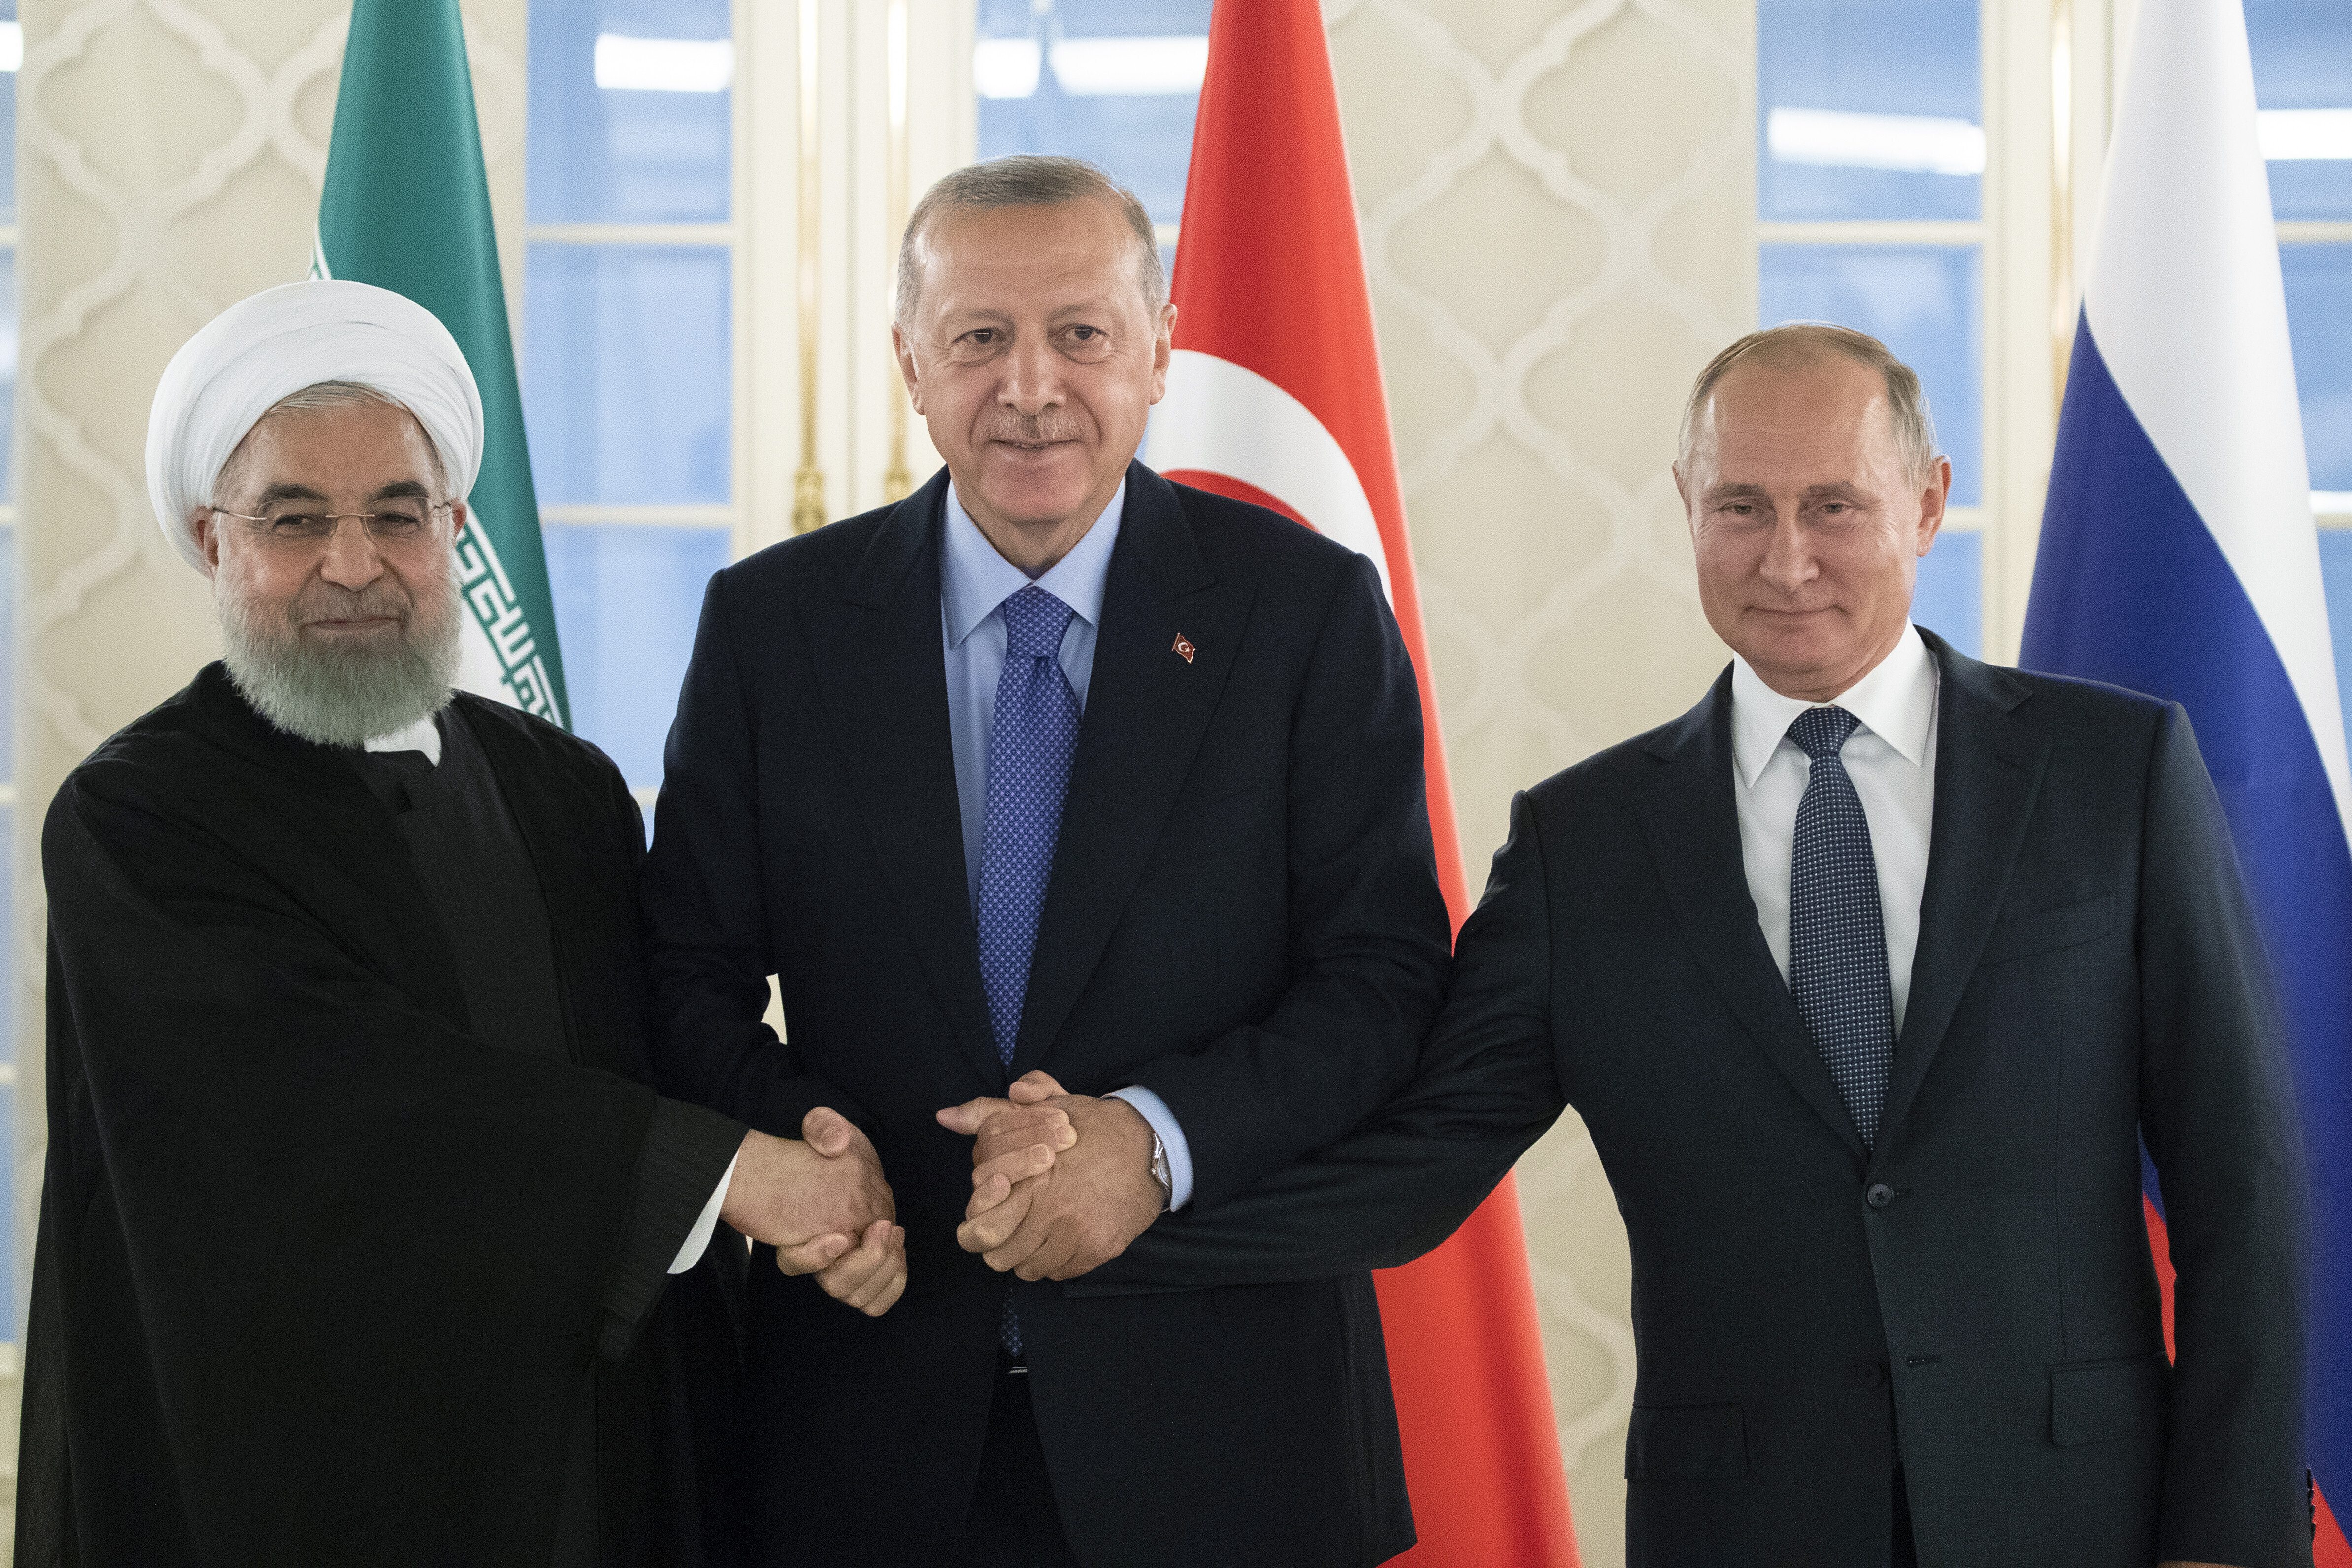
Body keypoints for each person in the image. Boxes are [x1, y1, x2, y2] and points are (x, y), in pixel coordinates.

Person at [1002, 322, 2313, 1568]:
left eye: (1835, 506)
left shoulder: (2113, 773)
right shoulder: (1589, 845)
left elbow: (2238, 1186)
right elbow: (1412, 1170)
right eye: (1741, 506)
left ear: (1926, 504)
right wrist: (1111, 1205)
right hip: (1749, 1523)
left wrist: (2232, 1531)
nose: (1785, 558)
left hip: (2083, 1515)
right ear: (1687, 506)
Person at [16, 280, 938, 1568]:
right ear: (210, 538)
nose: (353, 564)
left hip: (594, 1461)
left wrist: (821, 1165)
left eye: (398, 513)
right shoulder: (140, 818)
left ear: (454, 527)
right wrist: (738, 1180)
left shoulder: (561, 788)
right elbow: (342, 1103)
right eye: (293, 519)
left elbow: (668, 1036)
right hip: (309, 1480)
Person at [641, 155, 1453, 1567]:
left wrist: (1154, 1141)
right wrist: (815, 1152)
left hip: (1229, 1434)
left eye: (1081, 334)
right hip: (861, 1419)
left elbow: (1382, 981)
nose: (1030, 388)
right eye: (978, 339)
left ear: (1158, 351)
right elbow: (680, 975)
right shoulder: (774, 630)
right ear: (910, 362)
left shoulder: (1303, 614)